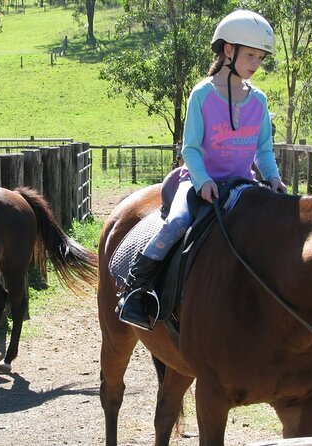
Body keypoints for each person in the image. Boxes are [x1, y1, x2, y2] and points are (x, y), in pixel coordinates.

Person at [116, 9, 287, 330]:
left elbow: (263, 150)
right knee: (176, 223)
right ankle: (136, 291)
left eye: (260, 58)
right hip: (198, 183)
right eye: (250, 55)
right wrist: (203, 179)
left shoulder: (259, 100)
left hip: (243, 186)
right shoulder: (202, 94)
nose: (255, 63)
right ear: (228, 50)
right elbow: (191, 149)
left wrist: (273, 178)